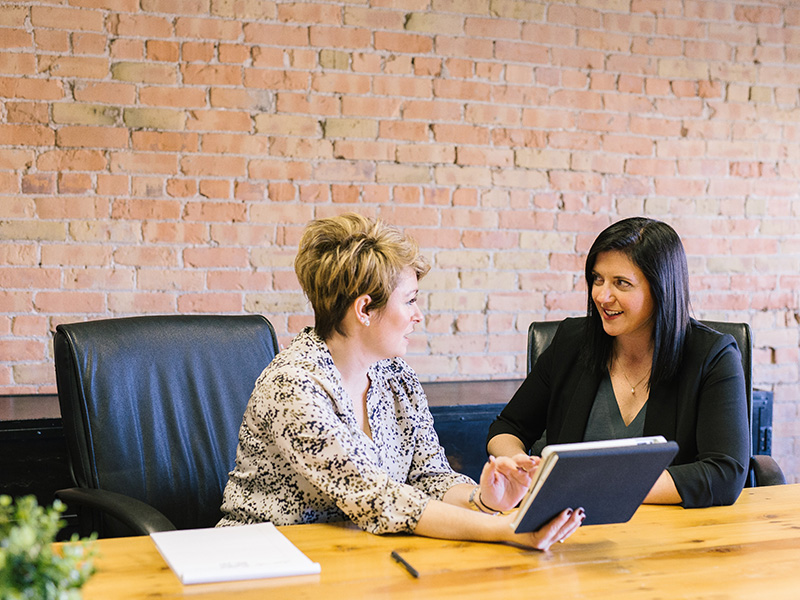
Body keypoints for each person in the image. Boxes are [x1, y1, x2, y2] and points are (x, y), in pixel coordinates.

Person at [219, 213, 584, 550]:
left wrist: (484, 500)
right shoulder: (293, 386)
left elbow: (430, 476)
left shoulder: (396, 375)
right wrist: (506, 529)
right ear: (364, 309)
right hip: (262, 558)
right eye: (409, 301)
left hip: (357, 554)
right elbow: (378, 498)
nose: (418, 316)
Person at [488, 217, 750, 508]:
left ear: (661, 288)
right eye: (597, 279)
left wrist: (597, 487)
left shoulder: (713, 356)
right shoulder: (571, 342)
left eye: (621, 283)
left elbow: (725, 473)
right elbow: (508, 427)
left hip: (670, 532)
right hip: (568, 528)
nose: (602, 295)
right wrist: (516, 463)